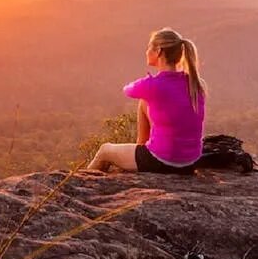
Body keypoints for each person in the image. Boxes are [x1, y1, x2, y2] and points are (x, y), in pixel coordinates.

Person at [85, 28, 207, 174]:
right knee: (146, 102)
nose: (146, 51)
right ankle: (141, 150)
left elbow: (127, 89)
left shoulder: (152, 85)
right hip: (190, 163)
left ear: (159, 51)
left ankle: (80, 185)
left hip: (162, 161)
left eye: (149, 47)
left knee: (105, 150)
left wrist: (148, 82)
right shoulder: (196, 84)